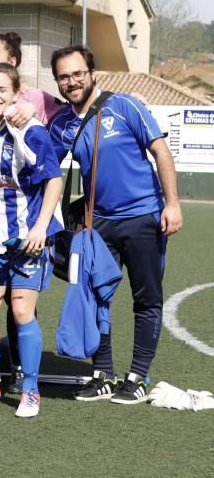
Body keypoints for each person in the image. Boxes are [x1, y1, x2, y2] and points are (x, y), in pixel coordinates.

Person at [47, 45, 182, 404]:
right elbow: (43, 167)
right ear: (57, 82)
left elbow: (161, 152)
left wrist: (172, 204)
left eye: (78, 73)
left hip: (142, 217)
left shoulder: (125, 106)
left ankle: (138, 376)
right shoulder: (60, 124)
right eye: (63, 76)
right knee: (95, 297)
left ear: (92, 73)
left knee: (146, 299)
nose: (72, 81)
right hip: (98, 223)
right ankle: (102, 374)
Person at [0, 63, 63, 418]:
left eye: (2, 90)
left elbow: (54, 180)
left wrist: (40, 227)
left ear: (16, 92)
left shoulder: (30, 130)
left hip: (27, 239)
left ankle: (31, 389)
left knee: (21, 311)